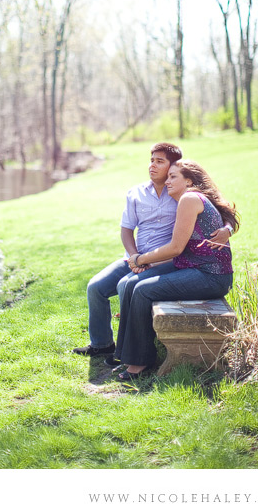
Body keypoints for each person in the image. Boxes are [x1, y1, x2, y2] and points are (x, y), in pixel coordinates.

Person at [72, 142, 232, 360]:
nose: (152, 166)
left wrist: (227, 230)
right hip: (136, 256)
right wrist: (134, 257)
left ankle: (131, 350)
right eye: (151, 160)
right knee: (96, 287)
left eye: (159, 161)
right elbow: (126, 230)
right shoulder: (136, 193)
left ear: (173, 166)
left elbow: (219, 212)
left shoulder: (180, 192)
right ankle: (102, 344)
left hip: (166, 260)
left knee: (127, 286)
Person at [112, 159, 239, 381]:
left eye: (173, 177)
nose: (167, 181)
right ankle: (126, 355)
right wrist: (145, 262)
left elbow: (175, 248)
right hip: (190, 265)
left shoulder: (189, 199)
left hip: (211, 275)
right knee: (131, 283)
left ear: (188, 181)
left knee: (142, 290)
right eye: (168, 176)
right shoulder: (188, 199)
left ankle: (140, 361)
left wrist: (140, 259)